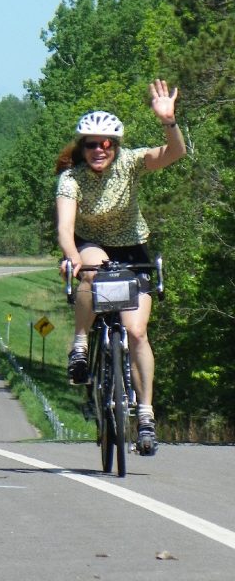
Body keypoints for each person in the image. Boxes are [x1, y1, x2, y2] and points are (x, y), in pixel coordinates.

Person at [55, 79, 186, 455]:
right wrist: (73, 256)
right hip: (92, 247)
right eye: (92, 144)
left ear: (116, 145)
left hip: (134, 251)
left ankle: (144, 413)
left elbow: (173, 154)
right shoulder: (72, 178)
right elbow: (65, 227)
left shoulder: (130, 163)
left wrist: (168, 122)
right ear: (82, 147)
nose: (100, 150)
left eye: (106, 143)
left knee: (137, 332)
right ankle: (81, 344)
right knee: (92, 269)